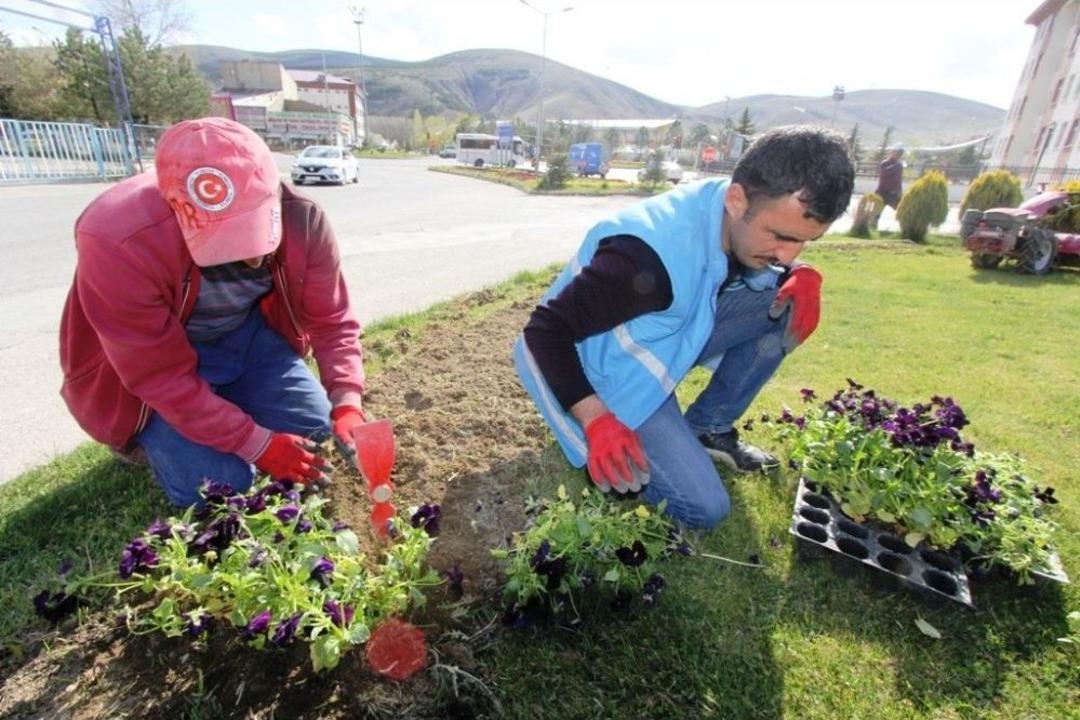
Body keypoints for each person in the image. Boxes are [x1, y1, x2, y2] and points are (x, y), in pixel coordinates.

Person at [514, 126, 854, 529]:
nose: (786, 254)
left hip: (664, 339)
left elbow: (775, 261)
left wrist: (802, 272)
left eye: (804, 242)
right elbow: (544, 331)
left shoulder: (731, 207)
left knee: (785, 301)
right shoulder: (644, 262)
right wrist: (596, 420)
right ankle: (609, 427)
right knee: (706, 509)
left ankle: (708, 427)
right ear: (737, 200)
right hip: (603, 377)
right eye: (781, 237)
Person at [59, 117, 389, 507]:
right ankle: (147, 440)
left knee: (317, 430)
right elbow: (160, 376)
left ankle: (226, 406)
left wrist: (347, 402)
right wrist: (259, 445)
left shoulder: (302, 219)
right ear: (176, 206)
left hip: (244, 337)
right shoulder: (118, 239)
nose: (251, 257)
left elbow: (332, 322)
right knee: (225, 486)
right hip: (162, 355)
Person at [876, 143, 905, 209]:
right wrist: (895, 166)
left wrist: (900, 192)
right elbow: (883, 174)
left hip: (894, 194)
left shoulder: (899, 165)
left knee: (896, 210)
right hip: (883, 192)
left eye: (900, 153)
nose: (898, 155)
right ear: (892, 152)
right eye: (897, 153)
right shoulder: (885, 163)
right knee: (878, 211)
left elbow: (898, 180)